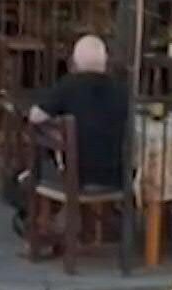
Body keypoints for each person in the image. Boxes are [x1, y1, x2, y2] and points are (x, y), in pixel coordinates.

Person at [28, 35, 128, 190]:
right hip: (117, 177)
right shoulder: (121, 90)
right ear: (105, 60)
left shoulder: (69, 85)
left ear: (75, 60)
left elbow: (35, 116)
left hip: (78, 176)